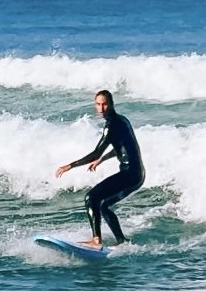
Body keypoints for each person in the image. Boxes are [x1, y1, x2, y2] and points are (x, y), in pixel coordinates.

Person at [55, 90, 145, 248]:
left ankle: (96, 240)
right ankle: (121, 241)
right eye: (98, 104)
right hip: (137, 174)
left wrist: (70, 166)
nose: (101, 108)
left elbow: (96, 152)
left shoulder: (112, 125)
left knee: (91, 198)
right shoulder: (122, 121)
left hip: (130, 173)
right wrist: (102, 159)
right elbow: (122, 148)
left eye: (104, 104)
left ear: (111, 104)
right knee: (103, 206)